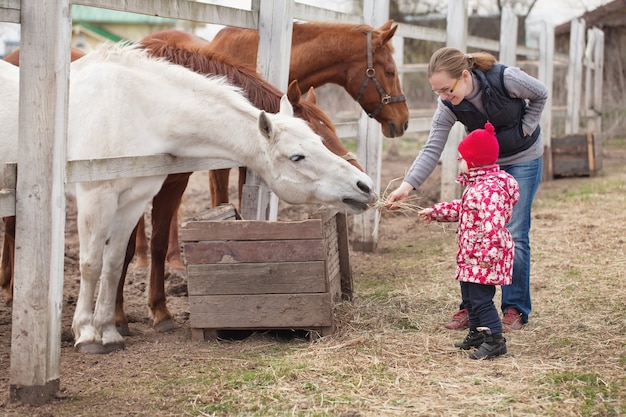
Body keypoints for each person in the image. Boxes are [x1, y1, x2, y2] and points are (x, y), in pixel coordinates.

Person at [386, 47, 547, 332]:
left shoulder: (505, 78)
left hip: (523, 158)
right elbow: (432, 146)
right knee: (473, 230)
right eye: (438, 92)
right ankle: (473, 308)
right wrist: (407, 186)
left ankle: (514, 309)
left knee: (515, 232)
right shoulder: (448, 104)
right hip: (483, 166)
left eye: (447, 89)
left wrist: (525, 127)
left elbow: (540, 93)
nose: (444, 97)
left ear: (464, 76)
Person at [418, 122, 520, 359]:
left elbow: (493, 227)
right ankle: (476, 333)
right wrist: (435, 212)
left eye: (461, 157)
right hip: (471, 256)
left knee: (481, 299)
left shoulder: (490, 190)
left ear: (474, 161)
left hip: (482, 257)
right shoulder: (477, 186)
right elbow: (463, 209)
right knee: (470, 298)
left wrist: (486, 257)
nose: (458, 161)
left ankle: (495, 339)